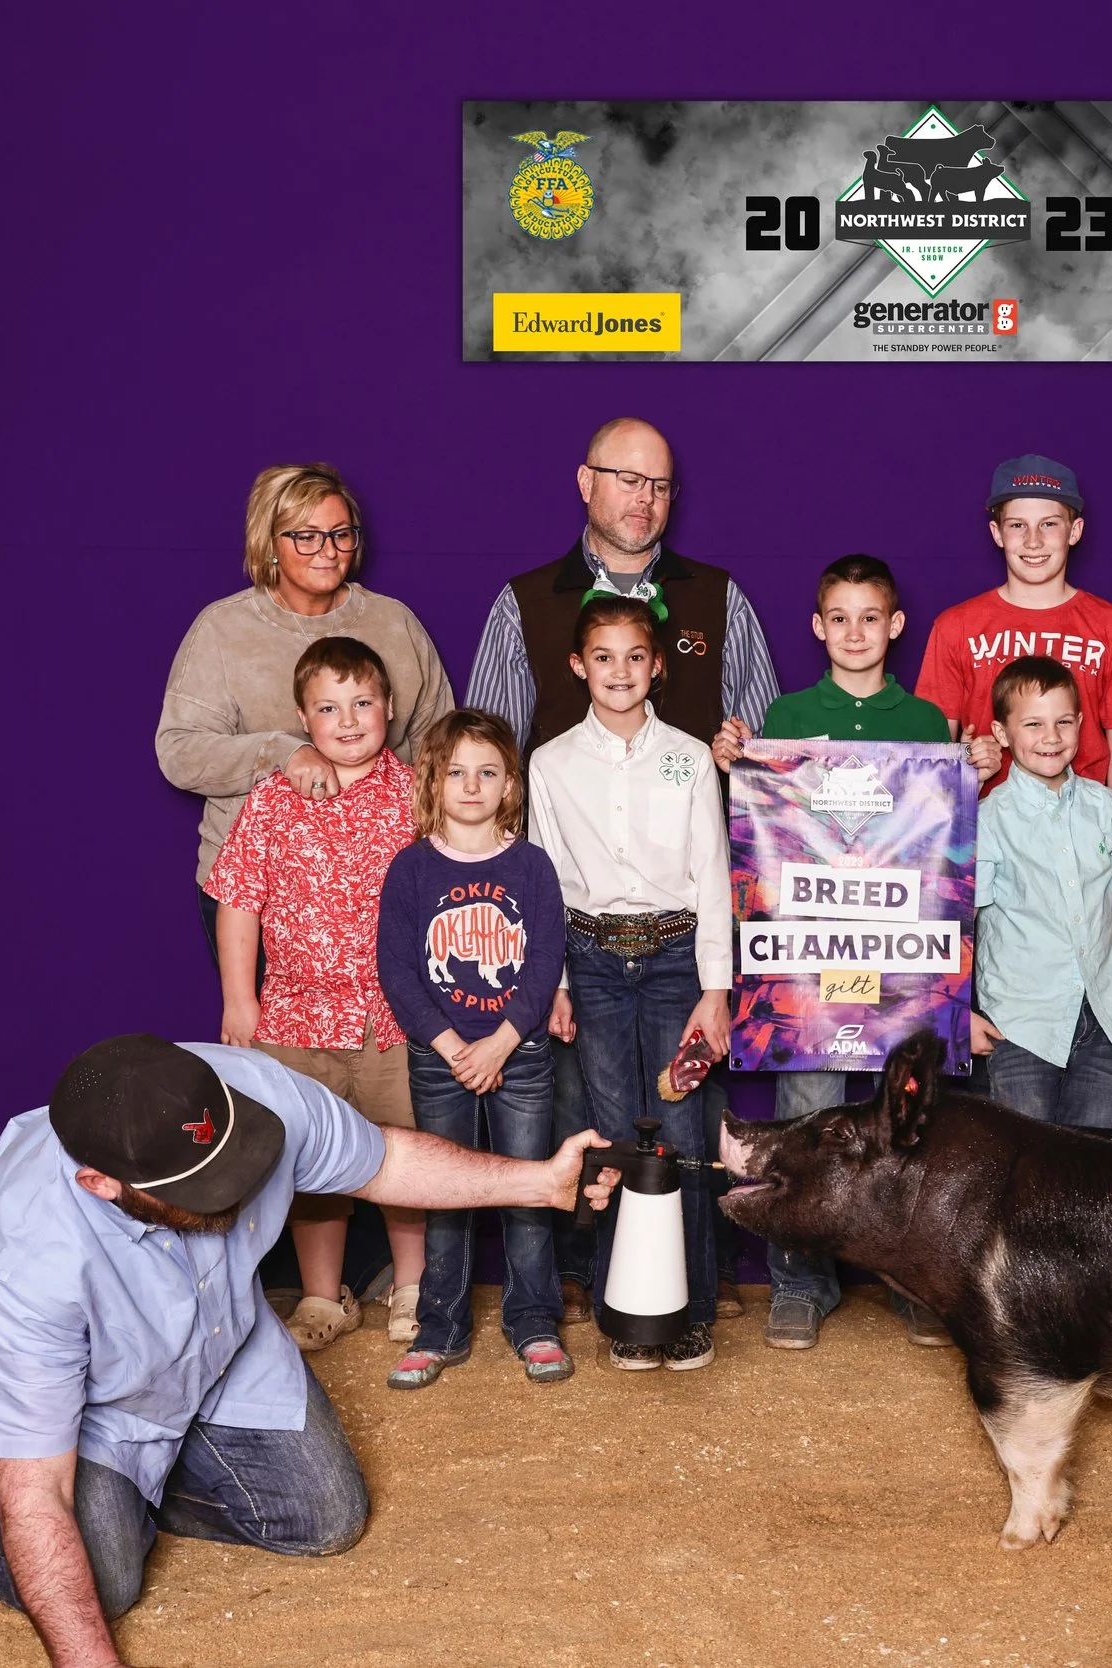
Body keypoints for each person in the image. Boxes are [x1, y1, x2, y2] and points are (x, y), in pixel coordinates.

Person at [0, 1034, 617, 1667]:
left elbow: (385, 1161)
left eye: (232, 1157)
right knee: (102, 1578)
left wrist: (537, 1182)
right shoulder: (21, 1264)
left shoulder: (249, 1093)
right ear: (101, 1183)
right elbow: (34, 1497)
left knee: (324, 1517)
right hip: (98, 1402)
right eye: (199, 1186)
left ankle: (125, 1499)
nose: (236, 1185)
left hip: (219, 1343)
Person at [463, 417, 778, 1322]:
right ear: (586, 483)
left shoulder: (717, 599)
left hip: (683, 919)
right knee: (587, 1113)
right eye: (627, 480)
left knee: (685, 1114)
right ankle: (603, 1289)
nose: (646, 500)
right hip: (578, 928)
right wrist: (538, 951)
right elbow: (490, 759)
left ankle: (692, 1291)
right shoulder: (525, 602)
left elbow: (755, 762)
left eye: (661, 485)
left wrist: (740, 750)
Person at [712, 554, 977, 1351]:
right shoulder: (786, 716)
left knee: (910, 1123)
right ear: (818, 626)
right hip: (809, 965)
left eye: (872, 618)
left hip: (903, 962)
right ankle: (800, 1279)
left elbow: (949, 844)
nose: (856, 633)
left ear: (896, 626)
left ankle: (915, 1280)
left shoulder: (930, 724)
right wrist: (738, 760)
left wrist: (979, 770)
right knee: (809, 1115)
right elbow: (758, 831)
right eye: (840, 618)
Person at [527, 595, 734, 1371]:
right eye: (603, 658)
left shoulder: (687, 756)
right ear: (580, 666)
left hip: (678, 960)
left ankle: (690, 1311)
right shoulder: (549, 763)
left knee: (680, 1135)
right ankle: (629, 1312)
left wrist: (715, 989)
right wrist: (552, 983)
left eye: (635, 657)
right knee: (614, 1140)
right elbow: (544, 883)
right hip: (594, 965)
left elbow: (712, 874)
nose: (620, 672)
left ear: (658, 665)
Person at [207, 637, 424, 1355]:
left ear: (390, 709)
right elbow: (239, 901)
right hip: (296, 1015)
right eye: (329, 707)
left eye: (363, 702)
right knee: (311, 1166)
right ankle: (324, 1296)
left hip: (394, 1017)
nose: (350, 719)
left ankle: (413, 1288)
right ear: (304, 717)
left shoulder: (418, 795)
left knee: (403, 1156)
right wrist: (242, 1003)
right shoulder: (274, 799)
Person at [158, 462, 454, 960]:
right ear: (269, 542)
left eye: (341, 534)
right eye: (308, 537)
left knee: (395, 1036)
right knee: (272, 1036)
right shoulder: (223, 630)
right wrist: (282, 752)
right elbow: (179, 751)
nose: (329, 551)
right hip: (259, 894)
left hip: (386, 887)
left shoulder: (393, 622)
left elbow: (440, 746)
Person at [377, 708, 570, 1387]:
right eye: (456, 772)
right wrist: (456, 1044)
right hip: (441, 1055)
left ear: (509, 784)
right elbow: (397, 971)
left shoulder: (531, 866)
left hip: (518, 1052)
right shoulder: (410, 870)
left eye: (487, 772)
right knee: (445, 1192)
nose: (471, 785)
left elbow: (545, 961)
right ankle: (441, 1324)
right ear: (434, 782)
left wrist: (502, 1043)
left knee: (528, 1188)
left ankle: (535, 1319)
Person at [971, 655, 1112, 1127]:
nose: (1051, 737)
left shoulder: (1109, 810)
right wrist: (959, 1015)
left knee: (1091, 1165)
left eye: (1064, 722)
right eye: (1033, 724)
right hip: (1019, 1022)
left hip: (1105, 1015)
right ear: (1002, 734)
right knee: (1024, 1166)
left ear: (1082, 725)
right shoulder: (987, 819)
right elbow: (967, 922)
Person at [915, 455, 1112, 813]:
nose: (1033, 541)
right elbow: (929, 753)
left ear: (1075, 530)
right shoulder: (955, 627)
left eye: (1049, 524)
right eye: (1018, 525)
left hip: (1082, 837)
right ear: (997, 533)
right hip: (983, 833)